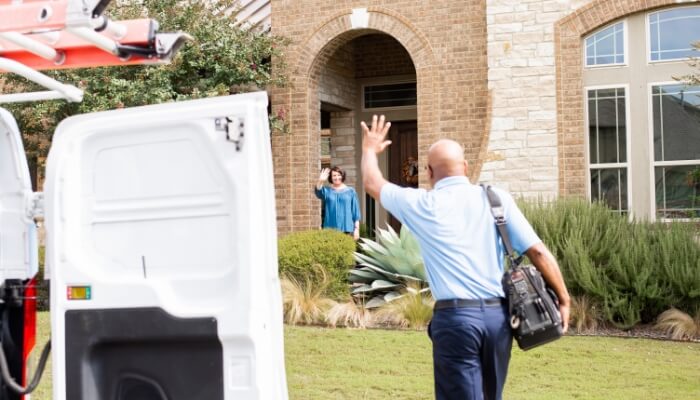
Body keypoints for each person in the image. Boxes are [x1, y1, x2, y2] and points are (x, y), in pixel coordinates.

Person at [360, 115, 571, 400]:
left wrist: (370, 150)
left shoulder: (422, 204)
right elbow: (538, 252)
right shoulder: (496, 199)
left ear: (430, 173)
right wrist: (564, 299)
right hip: (499, 319)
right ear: (466, 168)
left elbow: (373, 183)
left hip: (457, 320)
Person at [315, 166, 361, 240]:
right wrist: (320, 181)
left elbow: (356, 213)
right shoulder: (327, 191)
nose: (337, 177)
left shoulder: (351, 191)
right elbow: (318, 191)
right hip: (330, 229)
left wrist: (356, 229)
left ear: (342, 176)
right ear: (331, 177)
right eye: (334, 175)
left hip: (346, 229)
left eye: (339, 175)